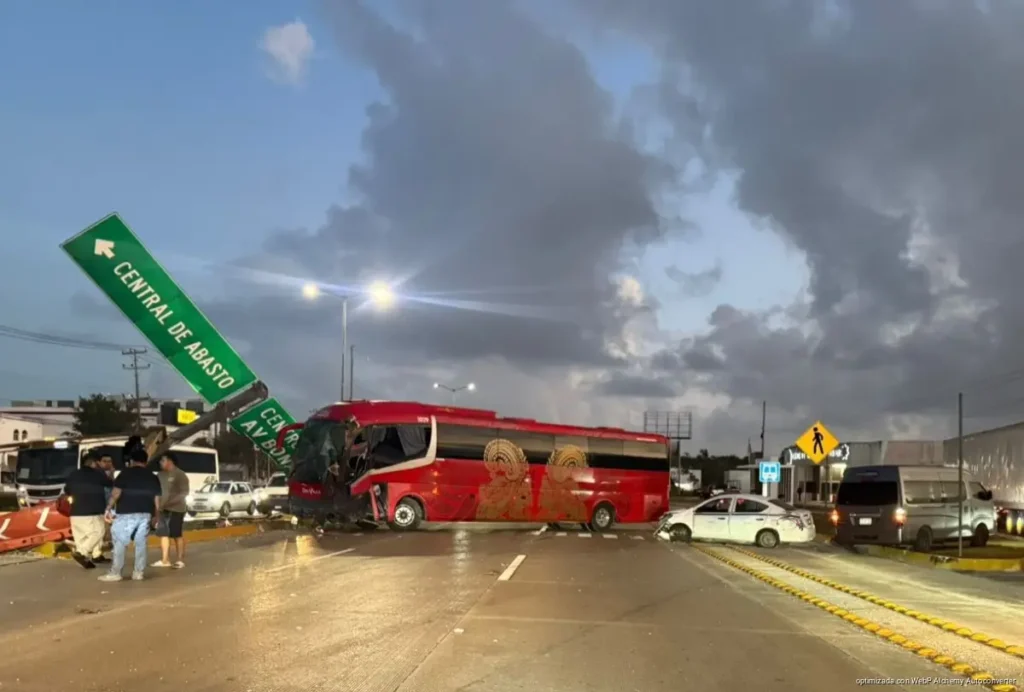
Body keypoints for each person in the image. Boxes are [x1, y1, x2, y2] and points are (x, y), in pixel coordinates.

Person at [99, 448, 161, 582]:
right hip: (145, 514)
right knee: (141, 543)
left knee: (120, 543)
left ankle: (116, 572)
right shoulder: (153, 476)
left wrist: (108, 508)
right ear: (146, 461)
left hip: (126, 513)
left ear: (132, 461)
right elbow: (157, 499)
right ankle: (138, 573)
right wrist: (156, 516)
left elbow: (116, 493)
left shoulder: (125, 473)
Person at [62, 451, 113, 569]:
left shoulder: (73, 474)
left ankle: (92, 556)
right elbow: (109, 483)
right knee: (98, 532)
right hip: (92, 511)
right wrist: (110, 472)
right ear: (94, 463)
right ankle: (82, 553)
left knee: (81, 537)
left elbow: (67, 490)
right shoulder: (98, 474)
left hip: (75, 511)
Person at [152, 452, 189, 569]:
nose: (160, 463)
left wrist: (169, 503)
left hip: (176, 509)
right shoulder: (160, 475)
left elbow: (184, 493)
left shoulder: (180, 474)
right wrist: (157, 509)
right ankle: (164, 560)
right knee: (163, 534)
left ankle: (180, 560)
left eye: (162, 460)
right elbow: (157, 493)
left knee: (176, 534)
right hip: (163, 509)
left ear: (170, 461)